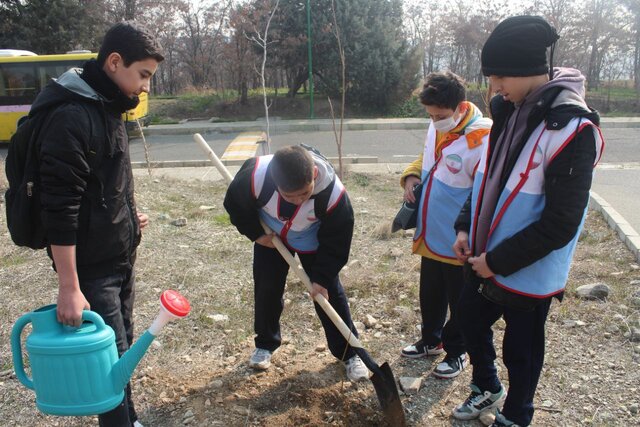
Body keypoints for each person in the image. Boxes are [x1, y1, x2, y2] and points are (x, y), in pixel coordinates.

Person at [451, 16, 604, 427]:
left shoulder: (572, 129)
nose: (494, 87)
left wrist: (497, 261)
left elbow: (560, 223)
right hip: (484, 252)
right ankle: (486, 386)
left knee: (522, 349)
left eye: (500, 76)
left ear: (525, 70)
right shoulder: (507, 110)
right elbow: (484, 178)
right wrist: (465, 226)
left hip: (525, 268)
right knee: (467, 317)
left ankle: (517, 413)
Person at [35, 22, 164, 427]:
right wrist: (69, 287)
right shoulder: (73, 116)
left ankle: (129, 418)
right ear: (114, 62)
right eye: (143, 75)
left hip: (119, 256)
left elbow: (107, 184)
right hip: (92, 268)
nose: (145, 87)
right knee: (108, 360)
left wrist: (128, 216)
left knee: (121, 347)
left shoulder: (108, 106)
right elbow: (60, 207)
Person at [223, 145, 369, 382]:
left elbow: (337, 241)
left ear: (313, 173)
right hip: (270, 233)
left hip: (311, 236)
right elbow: (235, 204)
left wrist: (321, 278)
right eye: (289, 196)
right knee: (267, 288)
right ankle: (265, 344)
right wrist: (255, 234)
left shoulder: (333, 196)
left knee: (328, 294)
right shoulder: (255, 176)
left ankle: (350, 353)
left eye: (304, 193)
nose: (298, 200)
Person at [399, 72, 492, 379]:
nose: (434, 120)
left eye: (439, 115)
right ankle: (431, 340)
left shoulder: (482, 137)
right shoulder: (438, 124)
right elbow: (428, 158)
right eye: (430, 115)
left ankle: (457, 352)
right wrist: (412, 176)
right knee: (431, 294)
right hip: (431, 230)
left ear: (459, 106)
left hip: (457, 237)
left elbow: (483, 192)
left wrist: (469, 231)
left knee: (460, 300)